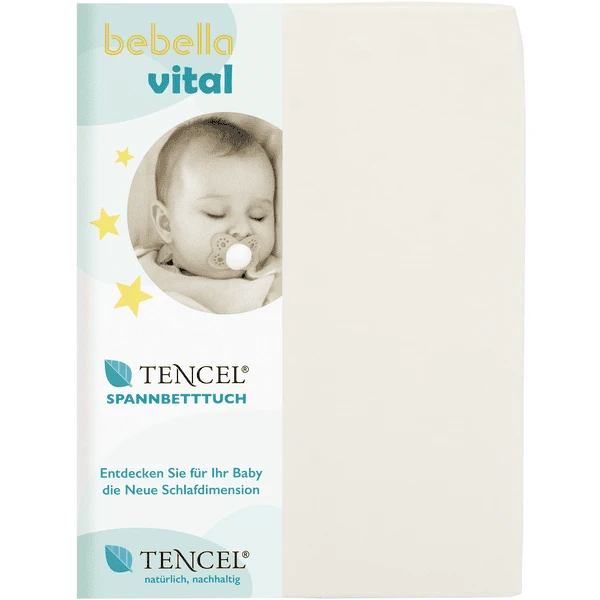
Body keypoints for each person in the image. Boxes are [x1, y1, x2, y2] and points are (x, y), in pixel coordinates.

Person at [136, 117, 281, 313]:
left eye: (258, 216)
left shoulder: (272, 284)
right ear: (166, 224)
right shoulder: (141, 272)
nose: (242, 230)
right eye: (216, 214)